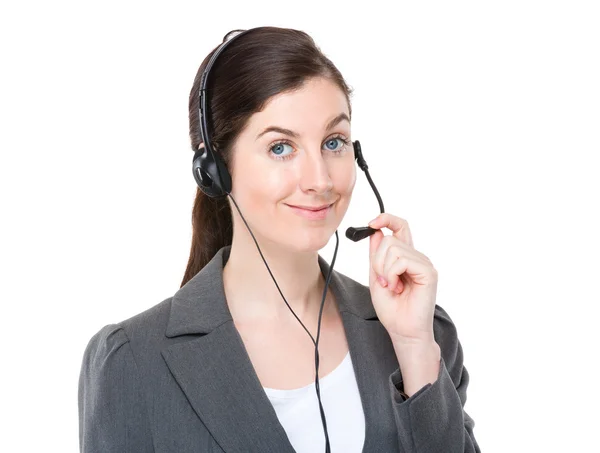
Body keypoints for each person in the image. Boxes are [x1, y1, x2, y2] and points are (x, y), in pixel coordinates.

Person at [78, 26, 480, 453]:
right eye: (280, 148)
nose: (320, 180)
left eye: (333, 142)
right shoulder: (133, 360)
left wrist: (414, 347)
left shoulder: (421, 332)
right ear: (215, 169)